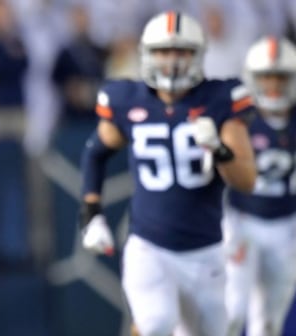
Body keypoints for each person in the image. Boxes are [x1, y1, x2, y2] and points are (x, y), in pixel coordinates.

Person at [78, 11, 257, 336]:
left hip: (206, 252)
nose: (171, 61)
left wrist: (218, 148)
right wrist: (91, 212)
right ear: (148, 54)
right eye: (163, 51)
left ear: (198, 55)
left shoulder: (219, 99)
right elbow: (95, 152)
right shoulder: (128, 98)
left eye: (181, 51)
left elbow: (246, 179)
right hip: (150, 246)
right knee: (155, 324)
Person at [224, 36, 296, 336]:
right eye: (266, 77)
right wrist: (228, 229)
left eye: (280, 77)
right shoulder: (239, 121)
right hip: (244, 221)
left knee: (268, 322)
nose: (273, 85)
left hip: (287, 227)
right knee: (232, 310)